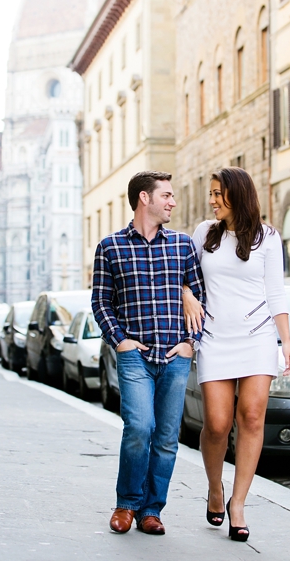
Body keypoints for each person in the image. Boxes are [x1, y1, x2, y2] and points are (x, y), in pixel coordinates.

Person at [181, 167, 290, 543]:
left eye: (217, 194)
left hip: (258, 336)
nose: (211, 200)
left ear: (237, 195)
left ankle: (239, 503)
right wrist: (186, 295)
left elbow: (275, 292)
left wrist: (286, 343)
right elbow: (183, 274)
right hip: (214, 336)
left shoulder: (268, 237)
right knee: (216, 423)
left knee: (252, 416)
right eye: (211, 194)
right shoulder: (203, 234)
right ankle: (216, 487)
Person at [92, 171, 205, 536]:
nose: (173, 202)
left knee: (167, 437)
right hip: (134, 356)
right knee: (139, 427)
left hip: (175, 357)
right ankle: (127, 503)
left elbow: (201, 299)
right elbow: (100, 302)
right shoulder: (110, 247)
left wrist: (191, 342)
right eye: (167, 195)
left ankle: (151, 510)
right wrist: (119, 340)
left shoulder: (182, 245)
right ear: (145, 198)